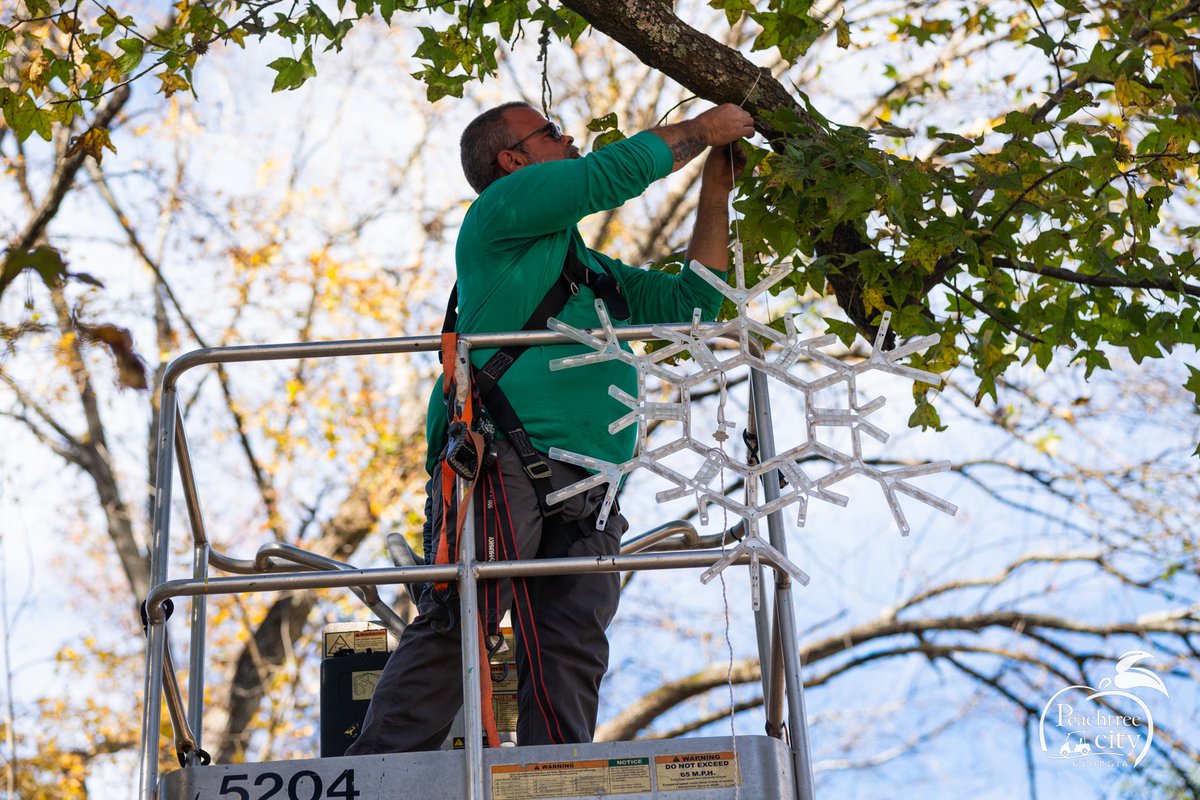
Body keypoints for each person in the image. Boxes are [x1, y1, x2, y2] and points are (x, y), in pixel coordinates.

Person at [347, 100, 754, 755]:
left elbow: (694, 309)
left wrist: (714, 186)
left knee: (569, 648)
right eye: (551, 132)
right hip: (502, 458)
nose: (569, 137)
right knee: (466, 616)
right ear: (514, 160)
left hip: (589, 487)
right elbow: (604, 176)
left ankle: (557, 777)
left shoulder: (589, 275)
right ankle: (381, 772)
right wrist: (701, 130)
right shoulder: (501, 211)